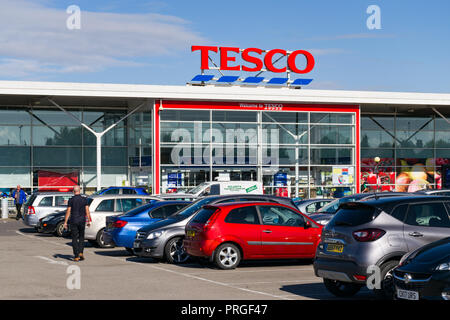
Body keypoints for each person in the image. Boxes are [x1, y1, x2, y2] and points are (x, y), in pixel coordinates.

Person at [63, 186, 92, 262]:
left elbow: (68, 211)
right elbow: (87, 210)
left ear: (73, 191)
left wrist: (65, 222)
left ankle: (76, 256)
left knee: (74, 238)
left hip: (74, 221)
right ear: (80, 190)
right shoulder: (84, 199)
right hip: (82, 220)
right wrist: (89, 220)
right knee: (82, 237)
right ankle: (81, 252)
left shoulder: (71, 200)